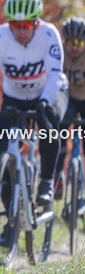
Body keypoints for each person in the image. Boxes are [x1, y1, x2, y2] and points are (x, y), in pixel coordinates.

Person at [0, 0, 68, 246]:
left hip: (49, 92)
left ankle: (46, 181)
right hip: (14, 98)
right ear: (8, 23)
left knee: (48, 126)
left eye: (26, 26)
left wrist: (45, 102)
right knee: (3, 151)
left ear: (36, 23)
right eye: (15, 25)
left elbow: (55, 74)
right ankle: (10, 221)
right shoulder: (0, 36)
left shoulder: (49, 35)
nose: (20, 31)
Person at [54, 16, 85, 199]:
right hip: (68, 97)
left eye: (79, 43)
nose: (74, 47)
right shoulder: (58, 51)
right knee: (58, 134)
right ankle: (57, 179)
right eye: (70, 42)